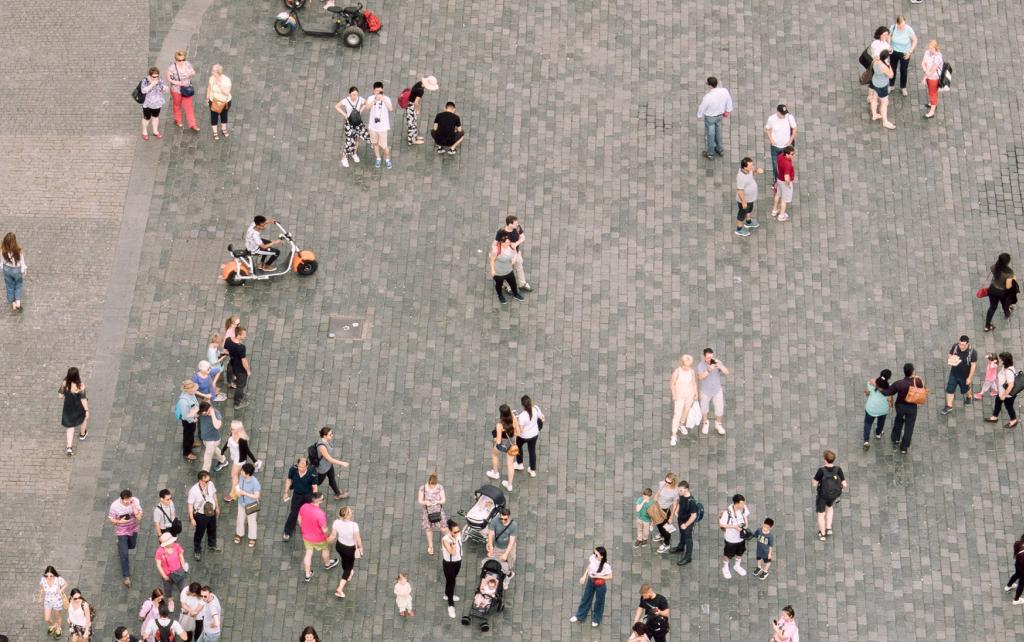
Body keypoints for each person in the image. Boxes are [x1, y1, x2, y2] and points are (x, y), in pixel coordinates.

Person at [877, 363, 925, 453]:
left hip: (900, 407)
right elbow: (923, 388)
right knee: (909, 427)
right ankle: (904, 447)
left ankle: (896, 438)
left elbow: (888, 392)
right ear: (912, 372)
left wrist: (879, 388)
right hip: (912, 407)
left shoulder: (899, 384)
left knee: (898, 421)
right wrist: (918, 378)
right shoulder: (918, 381)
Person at [297, 493, 338, 581]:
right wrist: (329, 535)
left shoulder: (304, 506)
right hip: (319, 538)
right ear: (318, 501)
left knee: (308, 554)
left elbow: (299, 519)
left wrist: (303, 528)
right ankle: (327, 564)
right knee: (325, 549)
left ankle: (308, 574)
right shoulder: (320, 514)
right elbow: (324, 529)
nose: (323, 500)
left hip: (306, 536)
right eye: (322, 499)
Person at [569, 546, 612, 628]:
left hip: (600, 585)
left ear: (602, 556)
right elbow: (590, 566)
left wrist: (599, 576)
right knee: (586, 598)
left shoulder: (606, 566)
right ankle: (580, 615)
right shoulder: (593, 558)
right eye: (594, 553)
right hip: (591, 581)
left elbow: (610, 576)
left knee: (599, 602)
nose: (594, 555)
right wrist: (584, 576)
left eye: (596, 554)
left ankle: (596, 619)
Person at [108, 489, 143, 587]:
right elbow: (111, 519)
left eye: (129, 499)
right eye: (126, 500)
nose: (128, 502)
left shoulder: (135, 501)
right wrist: (120, 522)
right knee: (124, 554)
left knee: (132, 545)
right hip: (121, 531)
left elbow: (139, 517)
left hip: (133, 528)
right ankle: (126, 576)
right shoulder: (114, 506)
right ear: (121, 499)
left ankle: (120, 544)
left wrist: (133, 507)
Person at [222, 421, 262, 504]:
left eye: (232, 428)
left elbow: (247, 451)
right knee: (236, 475)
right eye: (231, 427)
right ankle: (236, 492)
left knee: (234, 475)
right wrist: (222, 450)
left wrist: (254, 460)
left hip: (239, 460)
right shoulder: (232, 434)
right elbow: (228, 443)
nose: (231, 429)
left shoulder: (242, 440)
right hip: (235, 457)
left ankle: (233, 494)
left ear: (238, 430)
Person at [812, 450, 847, 541]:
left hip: (822, 495)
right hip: (833, 495)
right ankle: (828, 528)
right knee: (830, 508)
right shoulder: (838, 469)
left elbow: (814, 484)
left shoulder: (821, 470)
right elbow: (845, 484)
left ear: (825, 459)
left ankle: (822, 534)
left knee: (821, 514)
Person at [282, 455, 318, 542]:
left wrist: (315, 500)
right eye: (299, 466)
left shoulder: (312, 472)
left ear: (307, 466)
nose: (300, 468)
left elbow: (315, 487)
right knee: (293, 513)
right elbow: (289, 480)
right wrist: (286, 492)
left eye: (303, 467)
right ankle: (287, 531)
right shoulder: (293, 469)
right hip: (297, 494)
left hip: (307, 494)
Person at [696, 76, 733, 160]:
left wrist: (699, 114)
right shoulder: (724, 91)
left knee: (710, 135)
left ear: (710, 85)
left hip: (710, 118)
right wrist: (727, 110)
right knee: (718, 132)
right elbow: (729, 100)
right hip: (719, 116)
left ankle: (710, 153)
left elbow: (702, 107)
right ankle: (720, 149)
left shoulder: (708, 97)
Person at [330, 506, 363, 599]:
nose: (351, 511)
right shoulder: (354, 525)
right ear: (348, 515)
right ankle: (340, 589)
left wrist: (327, 541)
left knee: (344, 559)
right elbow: (358, 538)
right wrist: (360, 548)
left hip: (339, 546)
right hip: (350, 548)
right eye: (350, 511)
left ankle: (349, 573)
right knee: (349, 567)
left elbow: (333, 535)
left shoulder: (336, 522)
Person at [187, 470, 220, 560]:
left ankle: (211, 544)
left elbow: (214, 495)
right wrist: (192, 518)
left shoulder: (210, 484)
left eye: (209, 480)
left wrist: (217, 507)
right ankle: (197, 550)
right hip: (201, 515)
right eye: (206, 481)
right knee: (199, 533)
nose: (208, 482)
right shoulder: (193, 491)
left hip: (211, 511)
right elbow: (190, 505)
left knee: (212, 529)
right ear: (200, 480)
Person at [488, 404, 521, 491]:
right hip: (512, 445)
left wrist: (494, 439)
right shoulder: (514, 419)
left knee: (494, 455)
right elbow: (518, 432)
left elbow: (498, 441)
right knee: (510, 465)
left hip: (502, 445)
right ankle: (509, 485)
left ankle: (495, 473)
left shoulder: (500, 425)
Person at [494, 216, 532, 292]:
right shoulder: (501, 232)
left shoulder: (517, 228)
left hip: (516, 252)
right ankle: (506, 286)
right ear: (510, 224)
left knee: (519, 267)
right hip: (506, 255)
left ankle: (522, 284)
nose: (517, 224)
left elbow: (523, 237)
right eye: (515, 223)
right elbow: (495, 243)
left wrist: (516, 243)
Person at [696, 348, 730, 434]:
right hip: (705, 391)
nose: (710, 359)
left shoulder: (716, 362)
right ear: (704, 357)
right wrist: (709, 370)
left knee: (719, 408)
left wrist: (721, 367)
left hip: (717, 390)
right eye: (708, 357)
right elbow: (700, 377)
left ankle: (718, 424)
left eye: (711, 357)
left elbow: (727, 372)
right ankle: (706, 423)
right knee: (704, 408)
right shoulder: (700, 365)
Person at [361, 81, 394, 169]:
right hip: (373, 127)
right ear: (373, 91)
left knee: (384, 146)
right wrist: (375, 100)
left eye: (380, 91)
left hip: (383, 128)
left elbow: (391, 109)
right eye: (376, 91)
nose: (378, 92)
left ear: (382, 90)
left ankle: (387, 159)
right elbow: (367, 107)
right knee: (375, 144)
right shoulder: (371, 98)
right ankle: (378, 158)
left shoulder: (386, 98)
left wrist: (383, 100)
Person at [335, 86, 370, 168]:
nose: (354, 96)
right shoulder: (346, 100)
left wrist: (360, 111)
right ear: (349, 94)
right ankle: (344, 157)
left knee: (358, 138)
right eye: (353, 94)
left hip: (358, 122)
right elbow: (337, 106)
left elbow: (366, 103)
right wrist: (345, 115)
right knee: (349, 141)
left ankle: (354, 153)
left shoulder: (360, 99)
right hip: (349, 123)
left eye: (356, 94)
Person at [942, 335, 977, 414]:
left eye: (963, 345)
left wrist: (969, 378)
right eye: (960, 344)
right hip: (954, 373)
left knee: (966, 389)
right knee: (950, 389)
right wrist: (951, 359)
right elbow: (950, 354)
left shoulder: (972, 352)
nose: (961, 346)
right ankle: (949, 406)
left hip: (964, 376)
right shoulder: (955, 346)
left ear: (967, 344)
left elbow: (973, 366)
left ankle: (969, 397)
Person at [314, 426, 350, 500]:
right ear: (324, 436)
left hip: (328, 466)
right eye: (330, 434)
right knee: (318, 482)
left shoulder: (325, 441)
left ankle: (338, 494)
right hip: (323, 468)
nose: (332, 435)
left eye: (332, 433)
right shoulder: (322, 447)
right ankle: (307, 486)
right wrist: (342, 463)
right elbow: (329, 459)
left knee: (332, 478)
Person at [719, 493, 750, 579]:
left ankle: (737, 566)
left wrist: (746, 525)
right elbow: (721, 524)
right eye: (742, 503)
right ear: (736, 504)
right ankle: (725, 567)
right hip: (731, 539)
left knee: (740, 553)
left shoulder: (743, 508)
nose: (744, 505)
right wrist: (734, 527)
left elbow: (746, 516)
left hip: (740, 538)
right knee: (727, 554)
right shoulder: (727, 513)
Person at [60, 367, 89, 456]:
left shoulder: (65, 383)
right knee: (84, 418)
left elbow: (60, 395)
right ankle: (82, 434)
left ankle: (69, 447)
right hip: (78, 407)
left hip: (68, 407)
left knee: (70, 427)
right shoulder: (80, 386)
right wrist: (87, 410)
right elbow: (83, 399)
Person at [166, 50, 199, 131]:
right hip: (176, 90)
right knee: (177, 105)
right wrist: (175, 82)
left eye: (183, 59)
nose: (182, 61)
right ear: (176, 59)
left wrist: (190, 74)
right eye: (180, 60)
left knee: (189, 107)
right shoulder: (172, 68)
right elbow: (168, 77)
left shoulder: (187, 64)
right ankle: (178, 119)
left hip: (186, 89)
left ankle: (193, 124)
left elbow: (193, 72)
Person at [669, 354, 698, 444]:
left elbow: (693, 383)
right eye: (685, 365)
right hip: (680, 396)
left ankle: (681, 424)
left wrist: (696, 393)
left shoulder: (692, 372)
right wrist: (674, 395)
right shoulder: (677, 372)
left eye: (689, 365)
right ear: (682, 363)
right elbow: (672, 384)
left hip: (689, 395)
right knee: (677, 414)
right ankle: (674, 434)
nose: (687, 367)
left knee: (686, 411)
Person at [764, 104, 797, 182]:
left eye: (785, 113)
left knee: (786, 165)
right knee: (775, 165)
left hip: (786, 148)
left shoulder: (789, 117)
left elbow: (794, 128)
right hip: (775, 147)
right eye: (782, 114)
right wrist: (771, 140)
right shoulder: (771, 119)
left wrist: (790, 140)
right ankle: (776, 180)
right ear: (778, 112)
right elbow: (767, 129)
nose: (784, 115)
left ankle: (785, 177)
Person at [489, 232, 524, 304]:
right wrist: (492, 270)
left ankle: (515, 294)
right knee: (499, 285)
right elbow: (492, 260)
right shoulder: (496, 250)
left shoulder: (511, 246)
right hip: (499, 272)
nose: (509, 243)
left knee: (513, 284)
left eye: (509, 241)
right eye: (507, 242)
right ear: (502, 242)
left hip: (508, 270)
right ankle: (500, 296)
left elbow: (515, 252)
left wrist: (514, 258)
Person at [985, 352, 1018, 429]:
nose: (999, 360)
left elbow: (1011, 386)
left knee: (1009, 407)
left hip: (1007, 395)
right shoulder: (1005, 366)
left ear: (1005, 361)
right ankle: (995, 417)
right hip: (1001, 392)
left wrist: (1003, 396)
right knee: (997, 403)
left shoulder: (1008, 372)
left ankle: (1013, 420)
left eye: (1001, 359)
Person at [984, 253, 1015, 332]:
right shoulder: (1009, 273)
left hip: (992, 290)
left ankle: (987, 326)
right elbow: (1008, 286)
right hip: (1002, 293)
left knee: (992, 308)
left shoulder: (995, 266)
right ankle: (1007, 314)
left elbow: (992, 268)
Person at [514, 395, 545, 476]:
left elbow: (520, 430)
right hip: (534, 434)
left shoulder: (522, 416)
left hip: (523, 436)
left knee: (518, 447)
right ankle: (532, 470)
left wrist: (515, 421)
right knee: (532, 451)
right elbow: (542, 418)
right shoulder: (535, 408)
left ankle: (519, 463)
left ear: (523, 405)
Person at [404, 75, 439, 145]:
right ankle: (412, 140)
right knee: (412, 124)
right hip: (411, 107)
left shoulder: (419, 83)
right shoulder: (421, 91)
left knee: (413, 123)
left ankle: (415, 137)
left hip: (409, 104)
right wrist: (417, 110)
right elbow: (416, 103)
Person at [734, 157, 764, 237]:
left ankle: (748, 222)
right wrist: (743, 201)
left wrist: (756, 170)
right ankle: (739, 229)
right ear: (744, 167)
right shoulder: (741, 177)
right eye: (750, 166)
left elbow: (753, 171)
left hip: (750, 198)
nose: (752, 167)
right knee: (742, 214)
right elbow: (740, 191)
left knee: (749, 210)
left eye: (752, 165)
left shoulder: (749, 170)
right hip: (745, 200)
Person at [155, 532, 189, 603]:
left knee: (183, 588)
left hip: (179, 572)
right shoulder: (159, 552)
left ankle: (184, 601)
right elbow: (158, 565)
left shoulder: (176, 546)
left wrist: (183, 568)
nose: (172, 542)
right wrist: (164, 576)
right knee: (168, 588)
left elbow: (181, 556)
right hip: (167, 574)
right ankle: (170, 600)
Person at [418, 473, 448, 554]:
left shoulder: (439, 487)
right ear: (429, 481)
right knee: (428, 529)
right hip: (427, 511)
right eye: (431, 484)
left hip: (438, 510)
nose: (432, 486)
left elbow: (443, 500)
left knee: (443, 528)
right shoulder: (422, 488)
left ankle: (449, 539)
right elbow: (420, 500)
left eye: (434, 485)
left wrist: (437, 502)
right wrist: (425, 502)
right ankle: (430, 546)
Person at [862, 369, 892, 448]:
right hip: (883, 410)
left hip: (871, 408)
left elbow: (867, 393)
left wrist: (867, 391)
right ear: (888, 378)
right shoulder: (890, 388)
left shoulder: (871, 383)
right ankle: (878, 434)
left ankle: (866, 441)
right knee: (881, 422)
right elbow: (890, 400)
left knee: (868, 424)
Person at [888, 16, 918, 96]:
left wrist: (910, 52)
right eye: (902, 24)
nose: (903, 26)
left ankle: (903, 87)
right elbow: (889, 36)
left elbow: (915, 40)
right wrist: (889, 45)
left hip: (905, 53)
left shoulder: (908, 29)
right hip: (894, 51)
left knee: (903, 70)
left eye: (904, 23)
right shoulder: (893, 27)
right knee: (892, 68)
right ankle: (891, 85)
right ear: (897, 24)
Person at [223, 326, 251, 411]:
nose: (245, 336)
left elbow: (225, 351)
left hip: (232, 364)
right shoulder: (241, 347)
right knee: (241, 386)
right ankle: (237, 402)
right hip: (240, 369)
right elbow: (244, 361)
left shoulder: (228, 340)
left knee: (233, 375)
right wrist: (248, 370)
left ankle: (232, 383)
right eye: (244, 334)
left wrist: (232, 354)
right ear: (239, 335)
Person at [36, 565, 68, 638]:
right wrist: (40, 596)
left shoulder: (58, 579)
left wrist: (61, 590)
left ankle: (59, 628)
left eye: (51, 576)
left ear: (54, 574)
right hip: (47, 601)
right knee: (47, 619)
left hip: (57, 601)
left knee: (58, 616)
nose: (49, 577)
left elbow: (66, 584)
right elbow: (42, 588)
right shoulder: (43, 579)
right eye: (47, 575)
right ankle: (54, 625)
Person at [671, 481, 698, 566]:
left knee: (688, 539)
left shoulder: (692, 502)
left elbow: (694, 516)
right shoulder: (682, 495)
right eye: (679, 490)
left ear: (686, 489)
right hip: (681, 519)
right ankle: (681, 547)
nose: (679, 492)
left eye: (681, 490)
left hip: (688, 523)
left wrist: (686, 524)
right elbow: (680, 502)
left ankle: (688, 557)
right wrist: (677, 511)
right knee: (682, 534)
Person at [233, 462, 260, 547]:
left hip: (251, 504)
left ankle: (252, 537)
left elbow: (256, 496)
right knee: (240, 518)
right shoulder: (241, 477)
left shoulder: (255, 483)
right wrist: (237, 491)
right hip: (241, 502)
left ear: (248, 474)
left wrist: (245, 493)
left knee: (251, 521)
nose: (241, 472)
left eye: (243, 471)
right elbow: (237, 484)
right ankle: (239, 533)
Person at [485, 507, 518, 578]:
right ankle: (507, 573)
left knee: (510, 561)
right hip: (498, 546)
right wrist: (491, 549)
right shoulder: (495, 521)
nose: (503, 521)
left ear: (509, 517)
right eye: (501, 518)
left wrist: (506, 554)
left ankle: (508, 573)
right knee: (496, 561)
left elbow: (512, 541)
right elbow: (491, 534)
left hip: (508, 547)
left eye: (505, 519)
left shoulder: (513, 525)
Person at [869, 50, 896, 130]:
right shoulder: (884, 66)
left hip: (874, 82)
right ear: (886, 57)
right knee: (884, 103)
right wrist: (889, 65)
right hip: (882, 86)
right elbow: (891, 75)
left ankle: (874, 114)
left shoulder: (875, 60)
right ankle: (885, 122)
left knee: (874, 98)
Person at [197, 402, 227, 474]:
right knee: (214, 450)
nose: (205, 414)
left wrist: (212, 413)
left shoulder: (216, 414)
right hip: (205, 439)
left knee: (207, 458)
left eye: (206, 413)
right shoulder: (201, 412)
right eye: (203, 413)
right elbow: (190, 415)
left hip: (212, 440)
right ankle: (224, 461)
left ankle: (204, 474)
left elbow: (217, 426)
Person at [440, 519, 462, 618]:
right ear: (450, 531)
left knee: (451, 580)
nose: (457, 533)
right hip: (449, 564)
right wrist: (453, 543)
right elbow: (452, 553)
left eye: (458, 531)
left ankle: (447, 594)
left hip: (458, 561)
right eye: (455, 532)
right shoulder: (445, 540)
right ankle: (450, 604)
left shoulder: (458, 535)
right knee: (451, 582)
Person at [652, 474, 678, 554]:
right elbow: (659, 492)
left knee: (665, 528)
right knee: (658, 524)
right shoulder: (662, 484)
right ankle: (661, 535)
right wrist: (656, 496)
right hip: (657, 507)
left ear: (673, 483)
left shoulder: (675, 492)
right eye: (666, 481)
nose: (666, 483)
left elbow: (674, 504)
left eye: (669, 482)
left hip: (665, 510)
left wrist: (671, 517)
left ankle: (667, 543)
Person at [140, 66, 167, 140]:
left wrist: (164, 88)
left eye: (157, 76)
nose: (155, 78)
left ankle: (155, 131)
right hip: (147, 104)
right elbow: (143, 91)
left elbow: (163, 88)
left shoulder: (160, 80)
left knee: (155, 117)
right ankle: (144, 131)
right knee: (147, 118)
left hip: (157, 103)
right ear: (150, 75)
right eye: (153, 76)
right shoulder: (145, 81)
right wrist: (152, 85)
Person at [1, 232, 25, 312]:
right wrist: (23, 270)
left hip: (7, 269)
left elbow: (1, 261)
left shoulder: (2, 250)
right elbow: (22, 261)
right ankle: (18, 302)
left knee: (9, 286)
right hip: (17, 270)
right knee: (18, 285)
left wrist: (2, 269)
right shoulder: (18, 250)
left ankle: (13, 303)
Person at [206, 64, 232, 140]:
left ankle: (224, 129)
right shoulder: (211, 78)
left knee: (224, 115)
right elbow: (209, 88)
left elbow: (227, 93)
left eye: (213, 71)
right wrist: (207, 98)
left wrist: (220, 85)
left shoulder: (226, 80)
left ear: (218, 72)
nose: (212, 72)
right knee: (214, 116)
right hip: (213, 101)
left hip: (225, 102)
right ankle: (215, 132)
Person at [176, 380, 200, 461]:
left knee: (191, 433)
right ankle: (187, 453)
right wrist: (194, 420)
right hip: (188, 421)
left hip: (192, 418)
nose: (194, 390)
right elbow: (186, 416)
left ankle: (191, 443)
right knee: (187, 436)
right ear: (188, 390)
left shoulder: (190, 394)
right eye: (193, 389)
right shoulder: (183, 401)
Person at [771, 146, 796, 221]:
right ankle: (781, 216)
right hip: (784, 182)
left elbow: (778, 168)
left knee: (778, 194)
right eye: (792, 154)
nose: (793, 155)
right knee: (784, 200)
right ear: (787, 154)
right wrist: (788, 184)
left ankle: (774, 211)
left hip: (779, 179)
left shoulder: (780, 156)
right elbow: (786, 177)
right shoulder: (787, 164)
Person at [921, 40, 943, 119]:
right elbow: (923, 63)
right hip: (929, 75)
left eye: (932, 48)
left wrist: (925, 77)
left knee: (932, 93)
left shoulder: (938, 58)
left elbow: (932, 71)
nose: (930, 50)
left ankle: (932, 111)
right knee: (932, 91)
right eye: (929, 47)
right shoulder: (927, 52)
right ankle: (933, 103)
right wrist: (926, 71)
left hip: (934, 78)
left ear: (935, 48)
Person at [1003, 533, 1024, 604]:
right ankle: (1016, 600)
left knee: (1017, 574)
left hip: (1018, 565)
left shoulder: (1017, 543)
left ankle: (1009, 586)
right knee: (1021, 583)